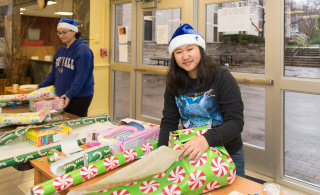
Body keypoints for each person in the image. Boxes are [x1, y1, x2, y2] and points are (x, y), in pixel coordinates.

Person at [158, 24, 245, 177]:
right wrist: (161, 154)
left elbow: (236, 122)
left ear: (200, 49)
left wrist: (206, 139)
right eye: (179, 52)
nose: (185, 56)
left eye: (190, 49)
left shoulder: (222, 77)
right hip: (193, 155)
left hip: (227, 154)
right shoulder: (174, 82)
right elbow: (169, 122)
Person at [38, 18, 94, 117]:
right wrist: (39, 89)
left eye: (64, 32)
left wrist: (69, 94)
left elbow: (80, 77)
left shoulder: (83, 50)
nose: (61, 36)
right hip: (63, 95)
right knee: (63, 123)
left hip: (79, 96)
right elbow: (53, 74)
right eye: (59, 33)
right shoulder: (60, 51)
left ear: (74, 31)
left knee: (74, 123)